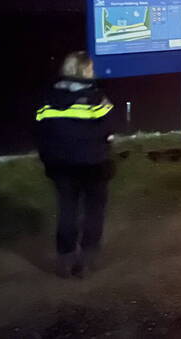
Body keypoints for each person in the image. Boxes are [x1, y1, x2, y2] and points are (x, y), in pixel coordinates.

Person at [35, 51, 115, 278]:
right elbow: (108, 129)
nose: (93, 71)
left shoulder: (49, 98)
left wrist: (47, 157)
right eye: (90, 68)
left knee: (67, 210)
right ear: (84, 70)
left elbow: (40, 130)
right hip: (94, 165)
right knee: (93, 211)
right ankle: (88, 258)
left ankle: (65, 257)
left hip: (61, 165)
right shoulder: (97, 98)